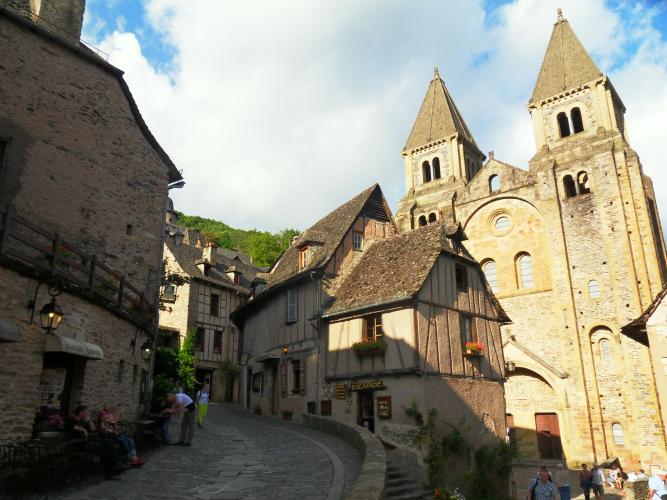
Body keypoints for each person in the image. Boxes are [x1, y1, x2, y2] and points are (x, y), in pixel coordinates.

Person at [67, 405, 120, 480]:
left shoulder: (84, 420)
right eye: (86, 412)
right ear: (81, 412)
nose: (87, 413)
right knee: (108, 448)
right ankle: (111, 470)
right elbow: (73, 427)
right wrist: (83, 430)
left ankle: (112, 468)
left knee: (110, 443)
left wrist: (89, 420)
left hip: (91, 441)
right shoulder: (71, 420)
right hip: (81, 444)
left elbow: (93, 429)